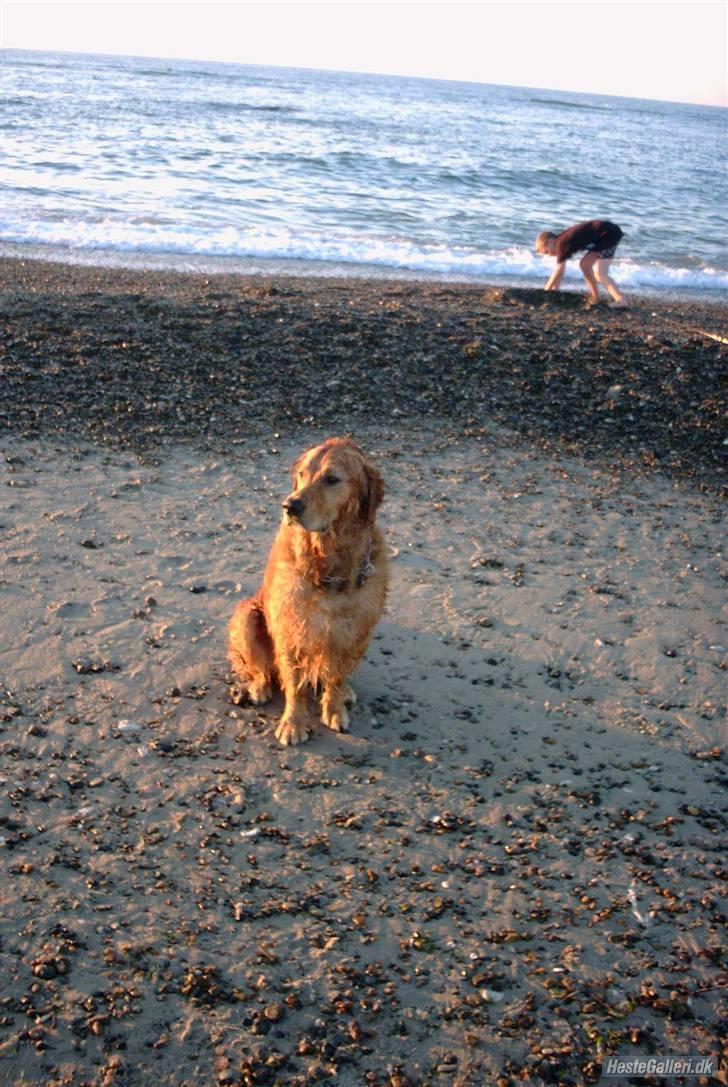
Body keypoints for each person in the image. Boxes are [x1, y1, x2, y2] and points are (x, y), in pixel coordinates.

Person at [535, 219, 627, 307]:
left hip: (608, 234)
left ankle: (620, 300)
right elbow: (559, 274)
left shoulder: (562, 244)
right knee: (585, 265)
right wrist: (555, 289)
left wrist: (547, 290)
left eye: (546, 252)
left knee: (600, 273)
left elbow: (559, 271)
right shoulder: (562, 241)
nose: (549, 255)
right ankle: (595, 296)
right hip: (606, 234)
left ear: (551, 241)